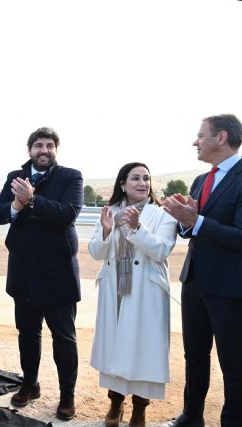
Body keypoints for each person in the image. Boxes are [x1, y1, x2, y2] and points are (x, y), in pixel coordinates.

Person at [161, 114, 242, 427]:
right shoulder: (201, 180)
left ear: (221, 137)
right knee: (194, 355)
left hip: (231, 287)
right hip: (195, 281)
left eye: (200, 135)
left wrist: (196, 221)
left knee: (232, 362)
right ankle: (192, 416)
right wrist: (185, 221)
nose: (195, 142)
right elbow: (193, 229)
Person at [0, 126, 83, 421]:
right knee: (28, 334)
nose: (44, 150)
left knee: (64, 338)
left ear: (56, 150)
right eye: (39, 145)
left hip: (58, 272)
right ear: (29, 150)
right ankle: (30, 384)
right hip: (24, 271)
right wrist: (16, 204)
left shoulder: (71, 177)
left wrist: (31, 200)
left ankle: (67, 396)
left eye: (50, 146)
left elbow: (67, 213)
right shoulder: (13, 178)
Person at [88, 162, 177, 427]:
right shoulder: (110, 212)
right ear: (123, 184)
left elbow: (161, 250)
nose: (142, 183)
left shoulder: (162, 214)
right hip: (115, 291)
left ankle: (140, 408)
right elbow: (96, 252)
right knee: (116, 347)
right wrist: (105, 230)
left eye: (146, 178)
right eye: (135, 178)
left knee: (142, 348)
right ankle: (115, 403)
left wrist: (138, 228)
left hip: (146, 293)